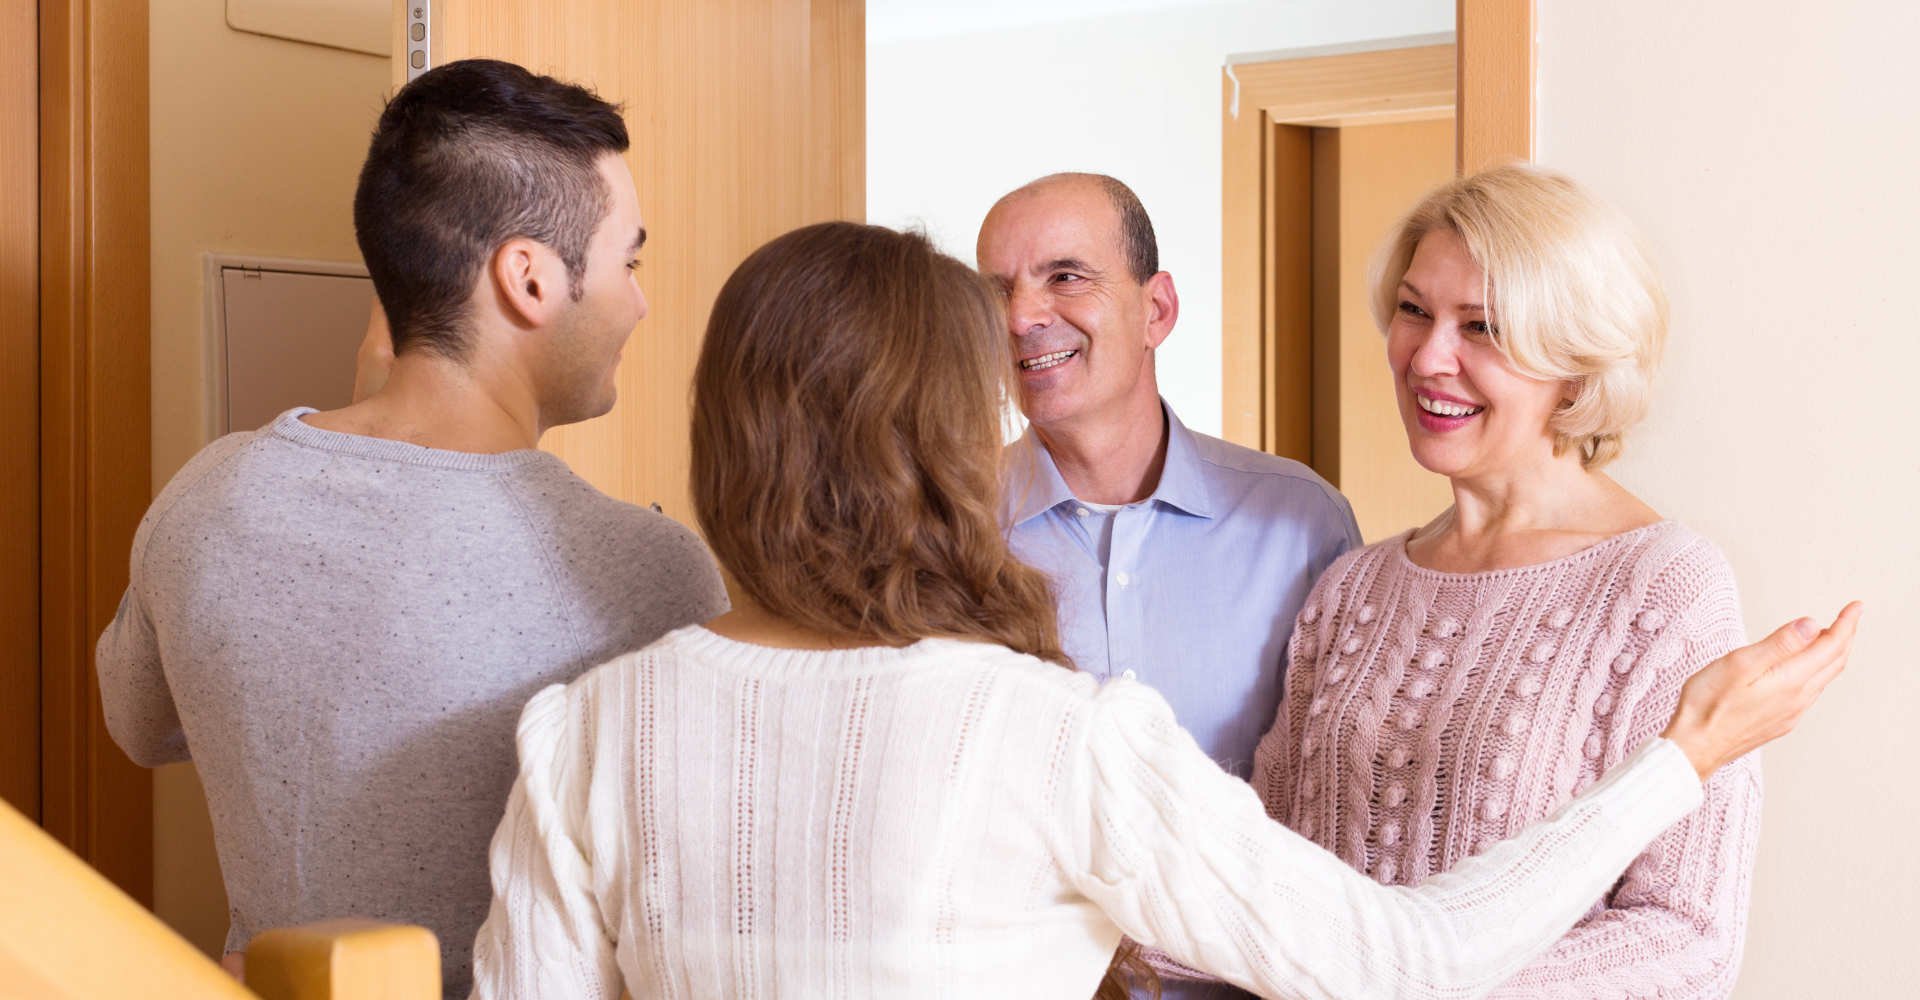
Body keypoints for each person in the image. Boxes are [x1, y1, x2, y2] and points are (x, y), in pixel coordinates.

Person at [466, 220, 1857, 999]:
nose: (1434, 356)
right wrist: (1682, 757)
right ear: (959, 440)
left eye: (1484, 324)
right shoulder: (1058, 737)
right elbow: (1401, 960)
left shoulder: (584, 731)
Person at [94, 59, 726, 996]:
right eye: (628, 259)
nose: (638, 300)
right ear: (529, 278)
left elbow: (142, 727)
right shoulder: (645, 571)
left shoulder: (205, 500)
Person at [1253, 164, 1772, 997]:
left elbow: (1686, 936)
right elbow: (1265, 875)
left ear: (1577, 363)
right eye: (1414, 310)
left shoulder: (1662, 586)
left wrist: (1418, 983)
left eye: (1483, 327)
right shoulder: (1352, 589)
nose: (1428, 357)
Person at [977, 171, 1355, 998]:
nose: (1021, 317)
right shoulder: (944, 534)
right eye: (996, 292)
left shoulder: (1301, 524)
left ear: (1158, 310)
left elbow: (1332, 817)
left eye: (1065, 277)